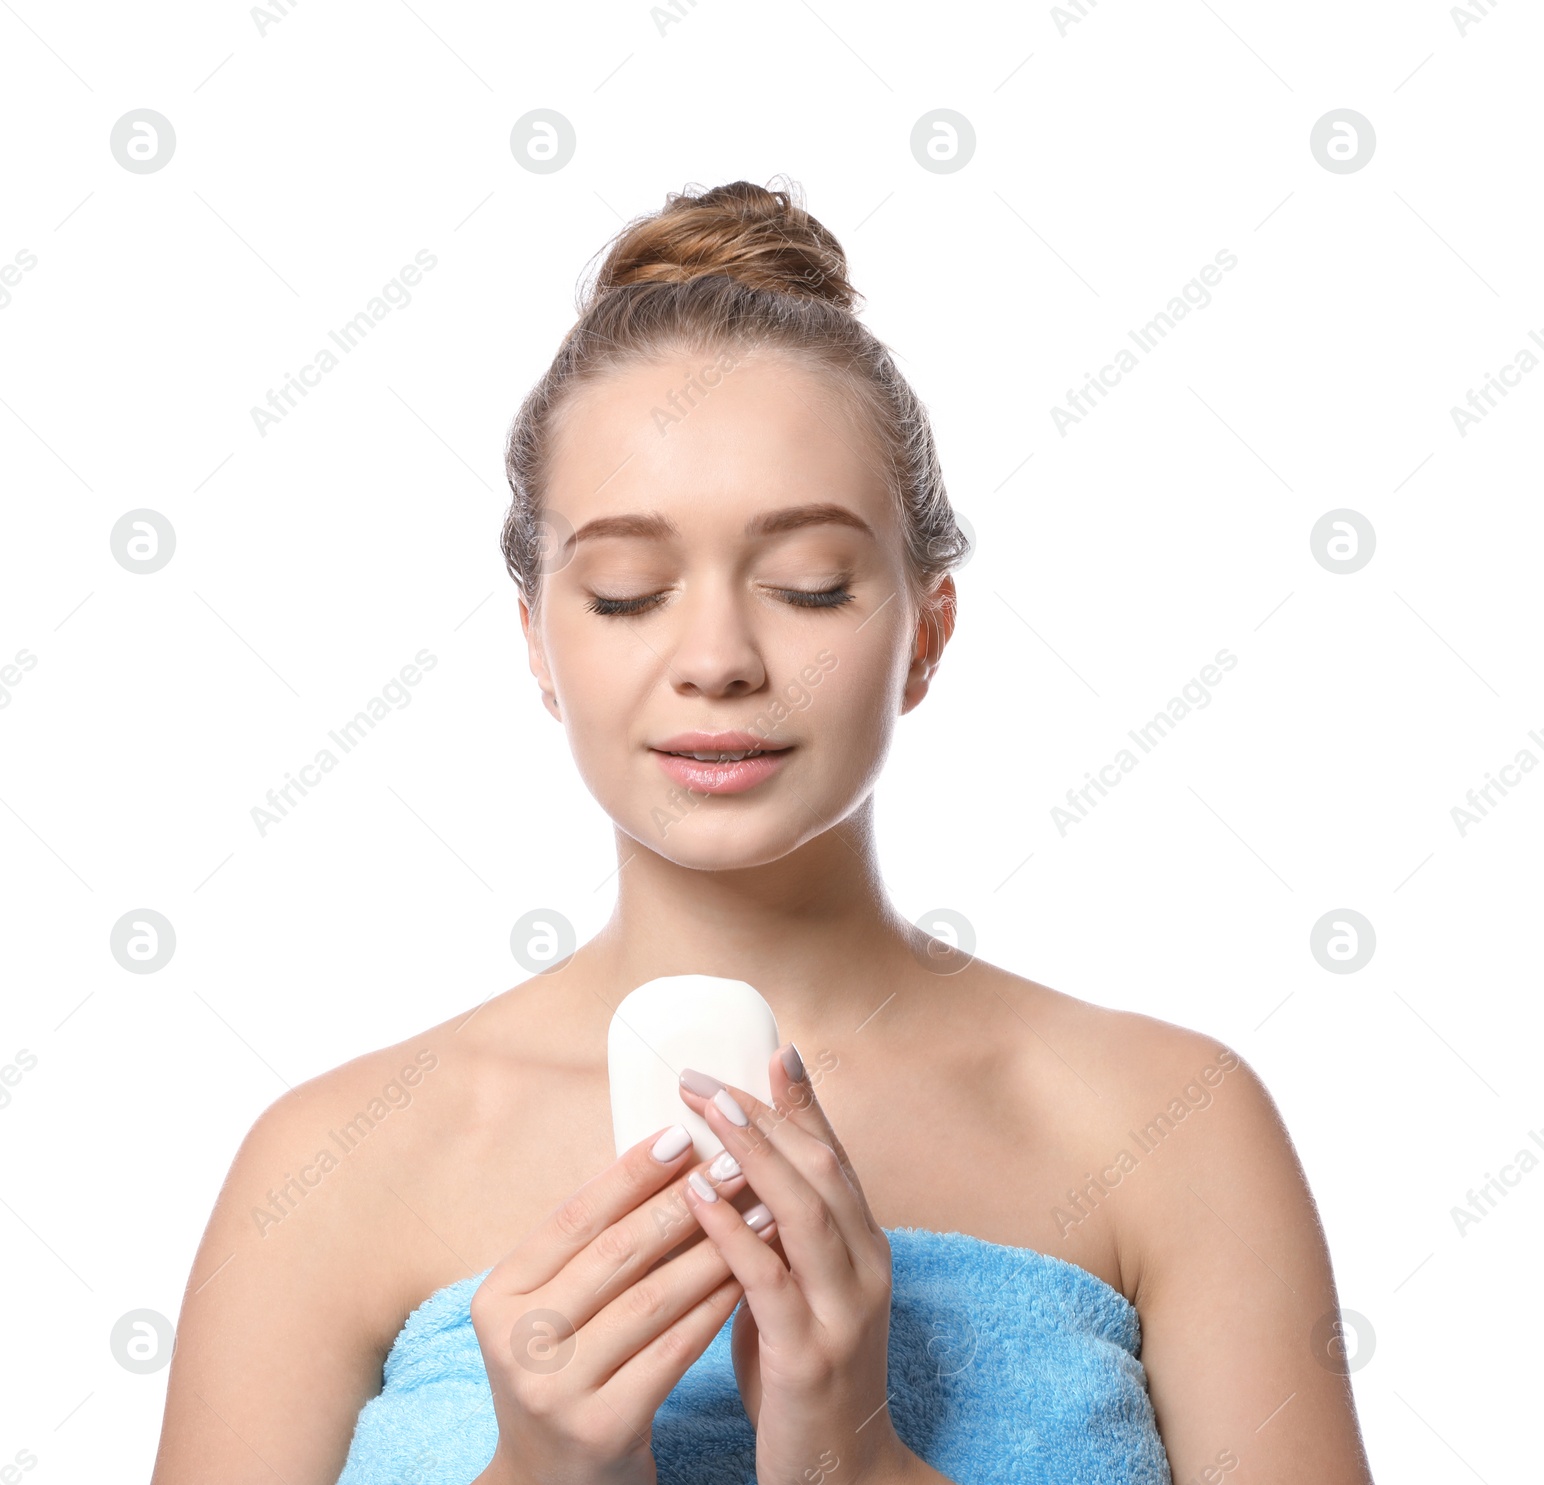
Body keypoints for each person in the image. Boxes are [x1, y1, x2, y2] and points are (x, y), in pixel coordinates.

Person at [150, 178, 1375, 1485]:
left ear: (927, 634)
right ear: (538, 646)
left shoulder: (1169, 1129)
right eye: (626, 594)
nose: (719, 658)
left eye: (807, 584)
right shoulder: (332, 1167)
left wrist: (859, 1462)